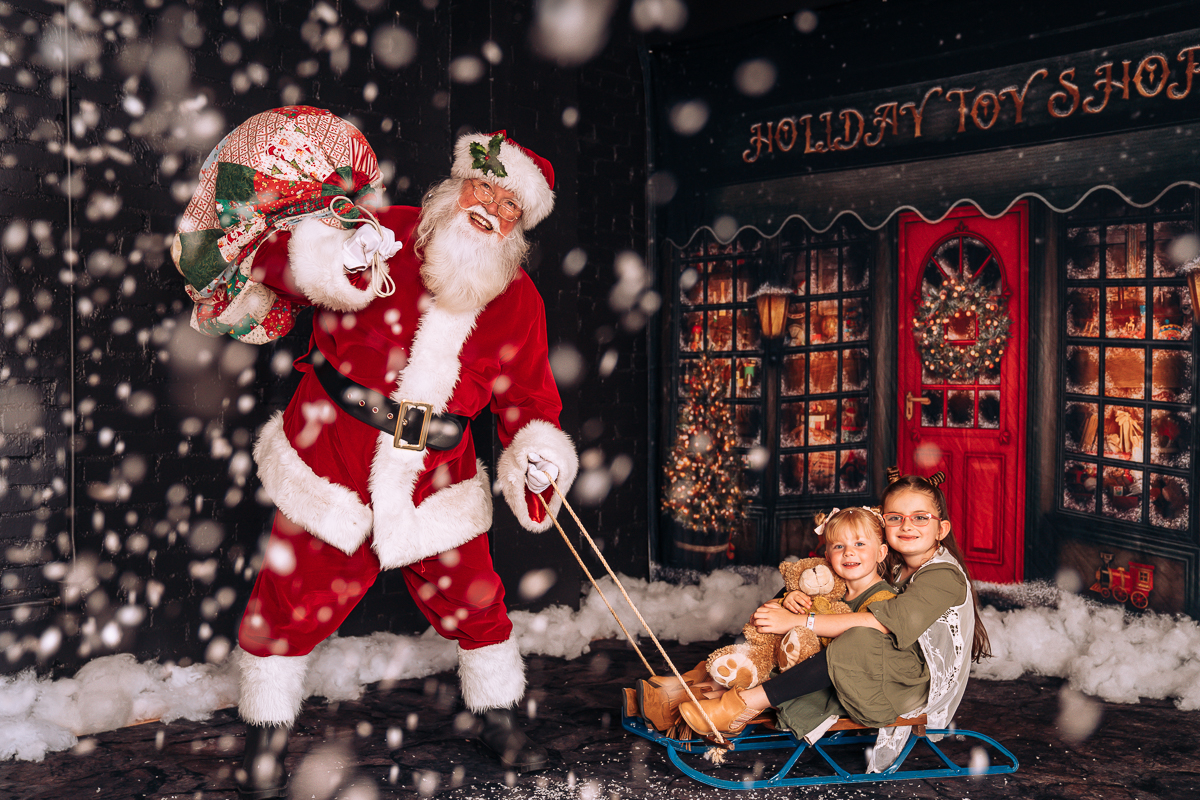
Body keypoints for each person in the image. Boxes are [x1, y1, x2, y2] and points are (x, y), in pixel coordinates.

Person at [177, 110, 578, 798]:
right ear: (459, 187)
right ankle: (266, 730)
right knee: (290, 594)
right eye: (487, 190)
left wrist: (537, 456)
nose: (494, 210)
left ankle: (498, 713)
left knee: (476, 598)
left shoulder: (519, 299)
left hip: (436, 474)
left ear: (522, 223)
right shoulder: (383, 229)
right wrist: (333, 263)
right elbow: (276, 260)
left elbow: (531, 400)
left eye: (512, 205)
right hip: (332, 454)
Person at [678, 474, 991, 772]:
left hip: (912, 686)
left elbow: (884, 625)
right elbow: (826, 577)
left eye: (920, 518)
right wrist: (793, 597)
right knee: (816, 589)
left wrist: (801, 619)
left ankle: (745, 703)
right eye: (895, 518)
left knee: (857, 636)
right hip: (886, 666)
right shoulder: (894, 564)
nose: (907, 526)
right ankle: (706, 680)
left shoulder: (943, 575)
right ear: (884, 526)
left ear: (942, 529)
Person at [636, 507, 893, 733]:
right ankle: (689, 689)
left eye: (860, 544)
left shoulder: (883, 598)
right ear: (826, 553)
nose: (849, 553)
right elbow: (770, 618)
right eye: (839, 546)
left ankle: (709, 700)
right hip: (795, 659)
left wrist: (797, 621)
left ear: (881, 553)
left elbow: (860, 640)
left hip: (830, 677)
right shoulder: (827, 583)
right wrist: (789, 601)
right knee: (772, 623)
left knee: (766, 666)